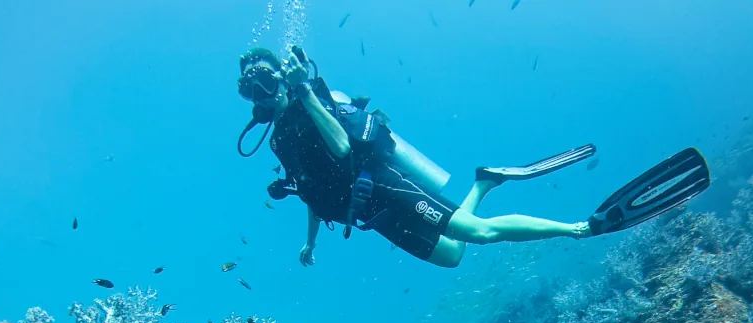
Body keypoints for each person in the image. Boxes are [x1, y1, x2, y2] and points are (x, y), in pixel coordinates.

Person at [236, 45, 710, 269]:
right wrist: (311, 243)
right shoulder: (278, 140)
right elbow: (311, 192)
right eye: (250, 87)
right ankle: (483, 182)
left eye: (264, 79)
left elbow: (341, 148)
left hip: (379, 184)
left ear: (280, 78)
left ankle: (582, 227)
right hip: (370, 216)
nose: (259, 91)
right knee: (452, 257)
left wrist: (303, 91)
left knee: (478, 234)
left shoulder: (311, 101)